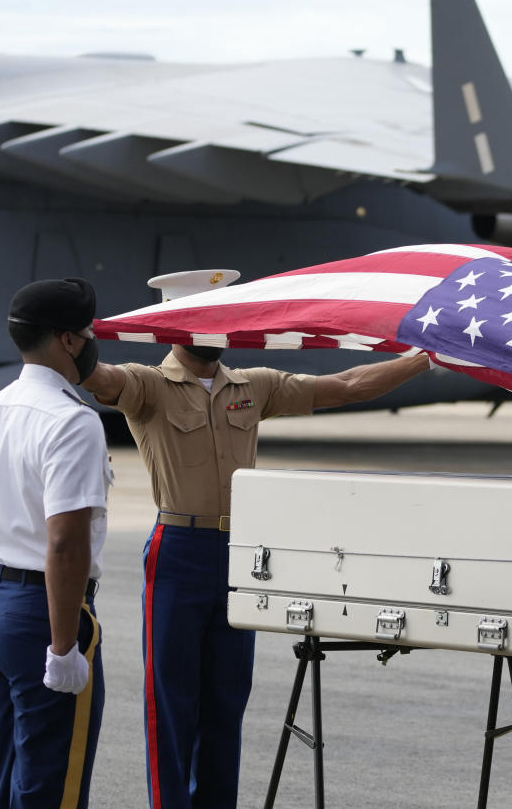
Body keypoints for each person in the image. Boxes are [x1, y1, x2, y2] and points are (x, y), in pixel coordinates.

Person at [81, 269, 431, 809]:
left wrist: (421, 358)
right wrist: (73, 335)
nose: (217, 329)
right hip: (178, 551)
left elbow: (347, 385)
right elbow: (99, 379)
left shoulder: (253, 386)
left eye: (221, 316)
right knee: (170, 702)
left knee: (226, 700)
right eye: (203, 318)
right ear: (177, 324)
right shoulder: (148, 386)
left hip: (239, 556)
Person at [0, 277, 111, 808]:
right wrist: (63, 648)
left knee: (5, 778)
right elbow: (64, 544)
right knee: (48, 788)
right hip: (43, 615)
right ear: (69, 341)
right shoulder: (72, 421)